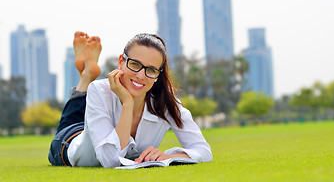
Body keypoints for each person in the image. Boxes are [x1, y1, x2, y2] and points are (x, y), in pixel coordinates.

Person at [48, 31, 212, 168]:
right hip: (69, 142)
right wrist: (127, 103)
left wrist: (168, 156)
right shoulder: (99, 90)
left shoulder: (165, 101)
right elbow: (110, 160)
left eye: (151, 70)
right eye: (135, 64)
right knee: (70, 121)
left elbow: (204, 150)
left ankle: (87, 73)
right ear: (121, 62)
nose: (141, 75)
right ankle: (86, 78)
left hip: (92, 127)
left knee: (88, 123)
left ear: (158, 75)